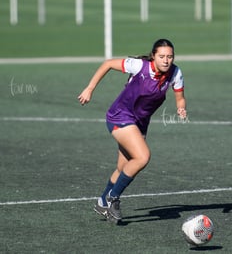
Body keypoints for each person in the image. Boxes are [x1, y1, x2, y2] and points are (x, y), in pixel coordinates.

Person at [78, 39, 187, 223]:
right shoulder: (139, 66)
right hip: (120, 116)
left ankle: (102, 201)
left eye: (170, 56)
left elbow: (180, 98)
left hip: (140, 123)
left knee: (123, 167)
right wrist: (90, 88)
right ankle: (114, 197)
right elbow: (107, 64)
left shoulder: (175, 73)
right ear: (153, 56)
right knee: (143, 156)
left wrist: (181, 108)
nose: (166, 60)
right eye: (162, 56)